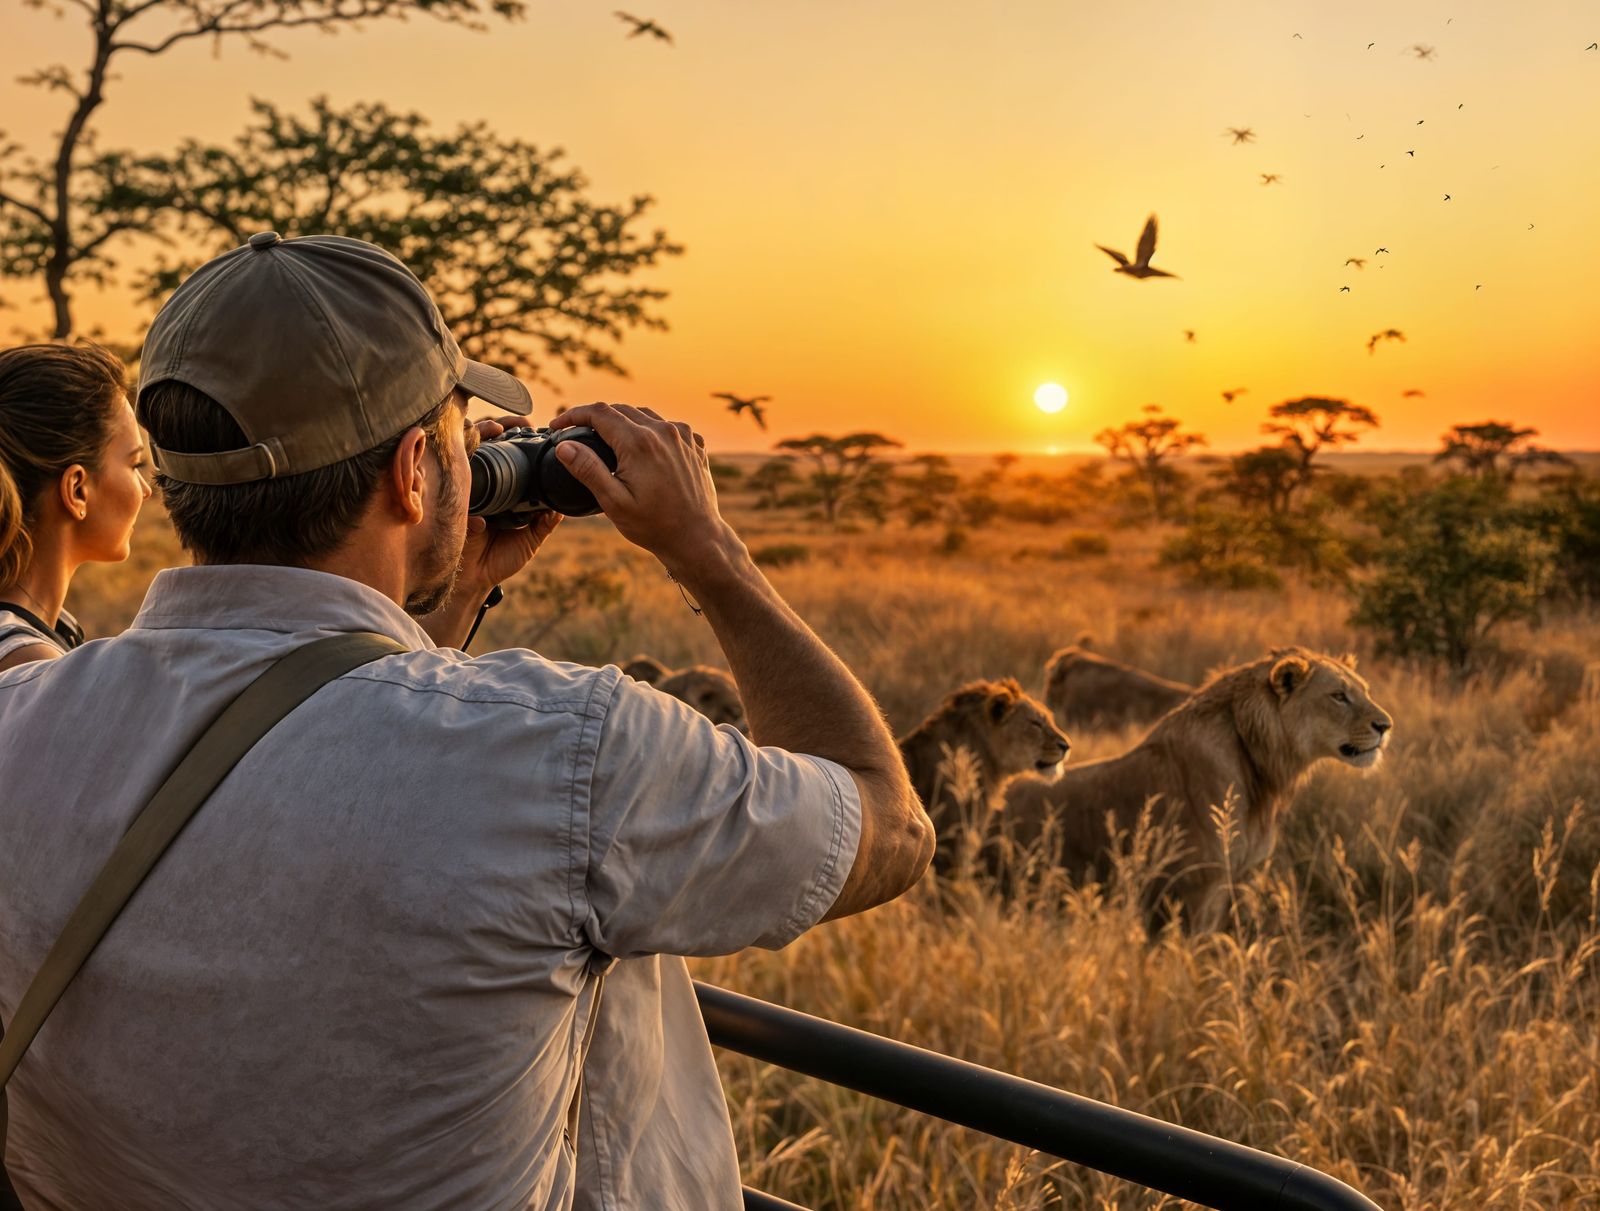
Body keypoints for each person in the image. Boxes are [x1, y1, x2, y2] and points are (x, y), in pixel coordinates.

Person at [0, 232, 933, 1210]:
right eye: (453, 436)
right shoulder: (572, 750)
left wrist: (441, 609)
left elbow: (308, 733)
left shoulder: (26, 716)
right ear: (413, 471)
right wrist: (708, 549)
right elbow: (886, 824)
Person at [0, 342, 152, 671]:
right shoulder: (28, 667)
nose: (146, 490)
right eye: (135, 465)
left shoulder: (46, 632)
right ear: (77, 489)